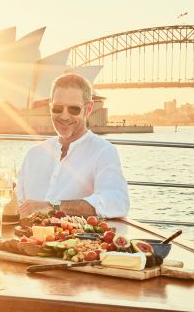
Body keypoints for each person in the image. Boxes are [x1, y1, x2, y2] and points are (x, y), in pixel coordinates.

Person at [17, 73, 129, 218]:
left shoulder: (103, 151)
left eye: (74, 109)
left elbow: (117, 201)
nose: (64, 116)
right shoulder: (33, 153)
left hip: (77, 239)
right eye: (58, 108)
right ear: (50, 106)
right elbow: (15, 202)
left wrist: (52, 207)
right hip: (26, 238)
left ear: (88, 109)